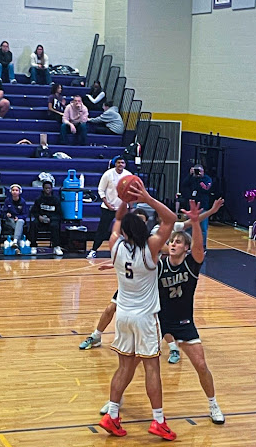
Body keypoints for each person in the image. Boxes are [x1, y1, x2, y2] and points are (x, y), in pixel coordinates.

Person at [81, 199, 225, 360]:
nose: (173, 243)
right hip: (141, 278)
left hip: (155, 274)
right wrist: (115, 264)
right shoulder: (154, 235)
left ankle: (172, 347)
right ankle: (96, 335)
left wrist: (211, 211)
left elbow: (191, 222)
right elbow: (135, 258)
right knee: (111, 309)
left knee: (163, 313)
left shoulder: (169, 231)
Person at [98, 179, 177, 440]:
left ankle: (112, 415)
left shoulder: (116, 247)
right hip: (144, 317)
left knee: (123, 368)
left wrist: (123, 203)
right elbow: (171, 218)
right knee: (151, 368)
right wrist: (146, 197)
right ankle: (158, 421)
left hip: (123, 315)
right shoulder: (151, 248)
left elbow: (115, 225)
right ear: (143, 229)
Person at [158, 200, 225, 425]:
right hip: (159, 321)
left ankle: (213, 404)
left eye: (178, 242)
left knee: (201, 365)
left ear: (185, 248)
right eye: (172, 241)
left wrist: (196, 222)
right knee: (132, 363)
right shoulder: (159, 265)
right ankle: (115, 402)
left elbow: (198, 246)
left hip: (184, 322)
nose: (174, 244)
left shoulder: (190, 264)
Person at [87, 156, 131, 258]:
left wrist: (129, 206)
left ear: (125, 164)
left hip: (123, 208)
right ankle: (93, 250)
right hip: (108, 207)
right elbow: (101, 190)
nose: (120, 164)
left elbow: (131, 191)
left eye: (122, 163)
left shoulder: (129, 175)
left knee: (126, 230)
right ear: (115, 164)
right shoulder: (108, 174)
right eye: (118, 162)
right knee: (102, 230)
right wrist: (107, 204)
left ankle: (128, 251)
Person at [181, 164, 212, 250]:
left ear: (203, 171)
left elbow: (206, 188)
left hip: (202, 206)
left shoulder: (206, 179)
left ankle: (202, 246)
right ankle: (188, 244)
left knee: (203, 228)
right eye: (196, 170)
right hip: (191, 206)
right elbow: (183, 186)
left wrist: (200, 178)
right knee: (189, 227)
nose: (198, 172)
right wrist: (190, 175)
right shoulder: (191, 178)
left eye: (199, 171)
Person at [29, 181, 63, 256]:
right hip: (41, 220)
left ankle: (56, 246)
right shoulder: (39, 199)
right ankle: (33, 246)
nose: (47, 190)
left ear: (52, 189)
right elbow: (34, 211)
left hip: (52, 220)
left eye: (49, 188)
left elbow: (59, 214)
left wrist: (51, 219)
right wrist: (39, 217)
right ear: (43, 189)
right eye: (46, 188)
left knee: (55, 226)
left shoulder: (56, 200)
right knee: (34, 224)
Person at [2, 184, 29, 249]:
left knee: (20, 222)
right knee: (18, 227)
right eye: (13, 190)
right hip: (10, 220)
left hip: (19, 220)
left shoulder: (22, 202)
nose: (14, 191)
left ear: (19, 192)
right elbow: (3, 212)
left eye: (16, 190)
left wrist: (19, 217)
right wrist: (7, 214)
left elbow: (25, 214)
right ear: (11, 191)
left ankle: (15, 241)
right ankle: (17, 242)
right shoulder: (7, 201)